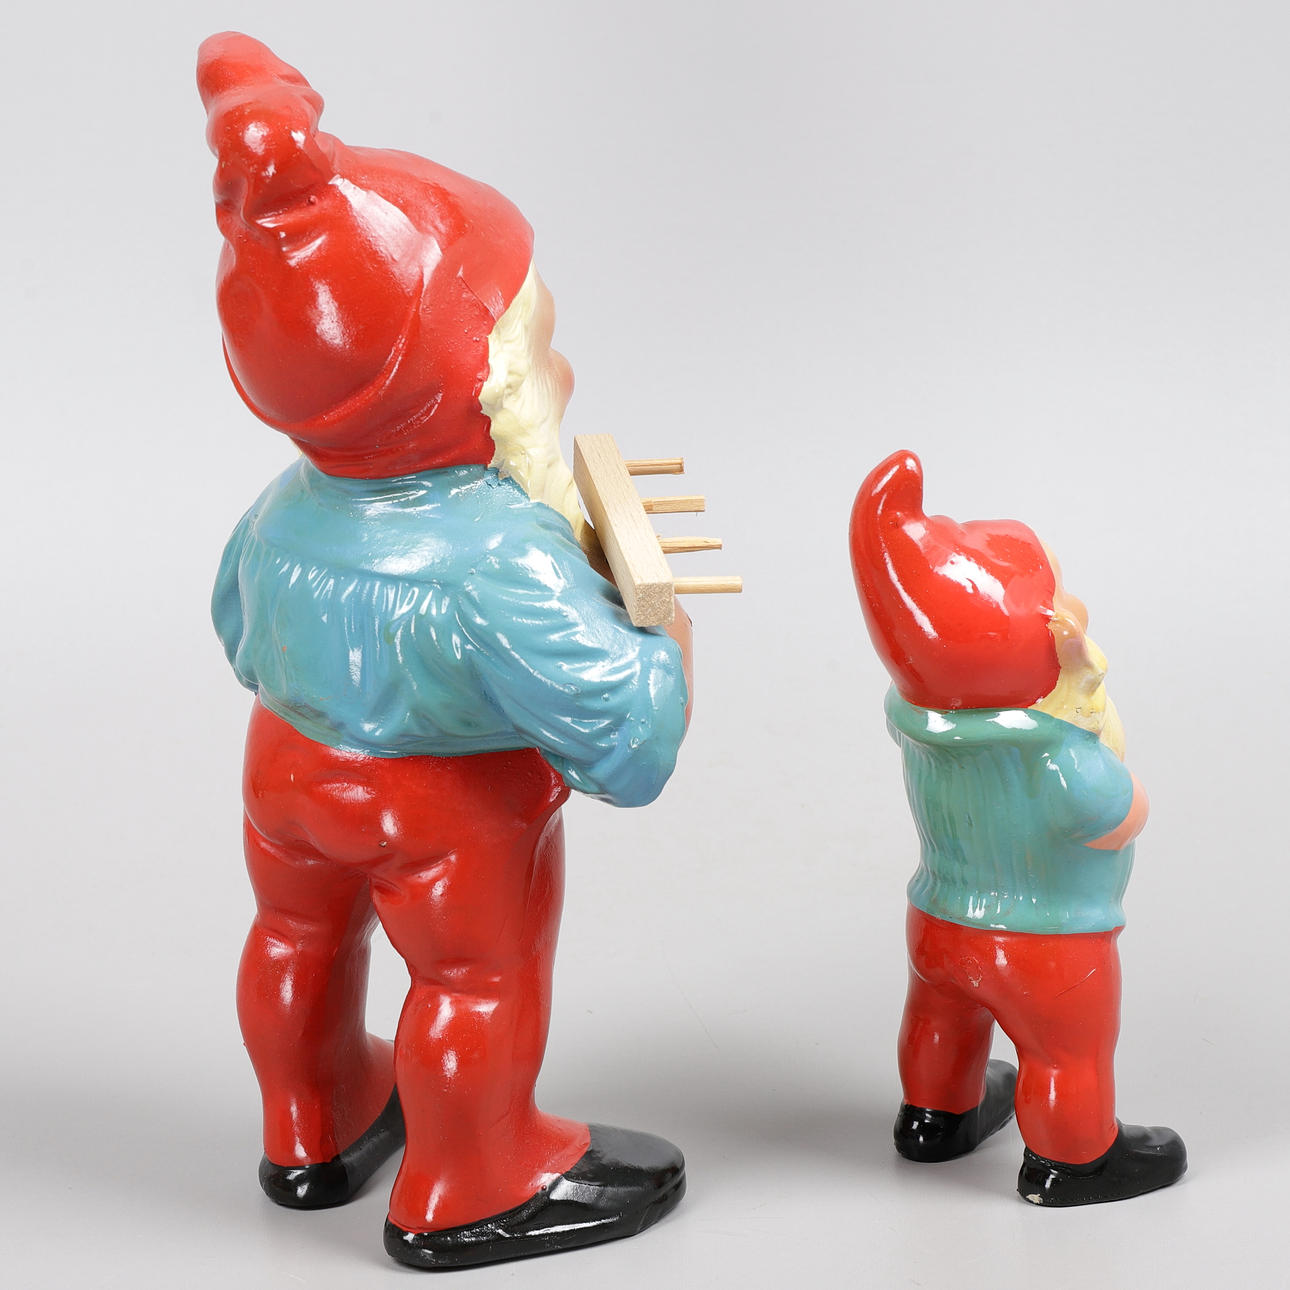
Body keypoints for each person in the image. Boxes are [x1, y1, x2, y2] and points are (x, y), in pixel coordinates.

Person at [199, 32, 692, 1269]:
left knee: (295, 936)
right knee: (474, 978)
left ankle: (312, 1125)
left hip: (285, 781)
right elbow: (631, 747)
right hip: (450, 819)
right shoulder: (502, 554)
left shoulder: (281, 509)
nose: (561, 368)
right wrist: (665, 633)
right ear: (471, 382)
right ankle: (477, 1177)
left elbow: (234, 632)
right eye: (536, 347)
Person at [849, 449, 1186, 1206]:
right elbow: (1119, 817)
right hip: (1049, 944)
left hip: (940, 920)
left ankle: (935, 1116)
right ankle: (1075, 1156)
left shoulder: (919, 725)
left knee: (940, 1017)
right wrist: (1130, 788)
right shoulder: (1062, 757)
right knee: (1066, 1051)